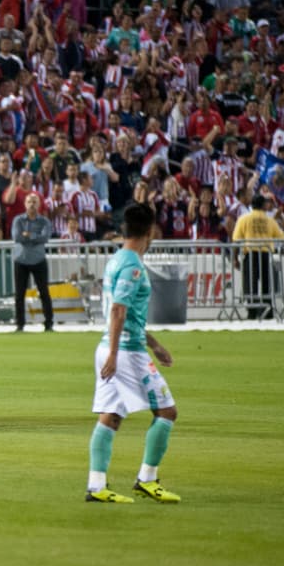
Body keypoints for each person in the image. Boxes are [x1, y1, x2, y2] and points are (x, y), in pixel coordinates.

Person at [87, 202, 181, 504]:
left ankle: (97, 486)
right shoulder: (132, 266)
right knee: (167, 411)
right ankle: (147, 479)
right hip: (125, 352)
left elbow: (123, 312)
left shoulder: (117, 260)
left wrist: (154, 344)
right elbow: (118, 310)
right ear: (150, 231)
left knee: (111, 416)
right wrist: (116, 354)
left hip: (113, 346)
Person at [231, 194, 284, 319]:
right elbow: (280, 236)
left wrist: (234, 258)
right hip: (266, 254)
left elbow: (236, 240)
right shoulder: (269, 221)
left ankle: (252, 311)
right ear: (264, 205)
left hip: (250, 255)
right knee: (267, 283)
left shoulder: (244, 219)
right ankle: (268, 311)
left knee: (250, 284)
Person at [11, 193, 53, 331]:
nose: (32, 204)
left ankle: (49, 323)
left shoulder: (44, 221)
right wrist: (36, 236)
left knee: (44, 292)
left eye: (35, 201)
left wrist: (28, 235)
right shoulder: (18, 220)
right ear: (25, 204)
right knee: (19, 294)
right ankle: (20, 324)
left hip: (38, 260)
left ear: (39, 204)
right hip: (21, 260)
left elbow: (45, 238)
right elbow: (17, 237)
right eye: (29, 201)